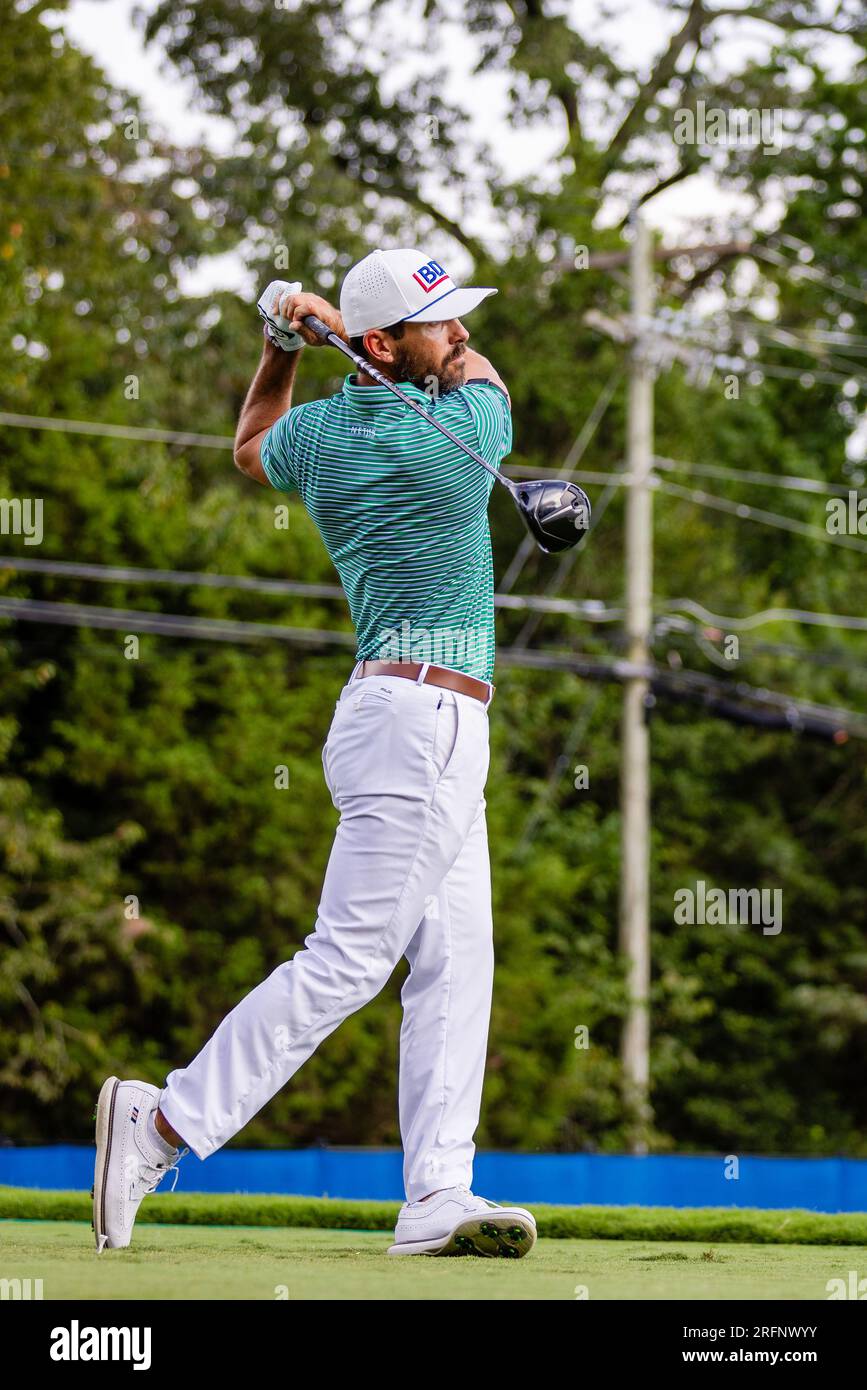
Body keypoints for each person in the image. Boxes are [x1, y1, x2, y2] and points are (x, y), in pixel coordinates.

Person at [92, 248, 537, 1259]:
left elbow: (249, 442)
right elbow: (488, 382)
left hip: (404, 719)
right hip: (423, 723)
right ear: (382, 344)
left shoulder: (326, 434)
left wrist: (277, 342)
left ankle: (437, 1194)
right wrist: (321, 332)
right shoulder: (457, 436)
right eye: (439, 323)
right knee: (349, 957)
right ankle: (161, 1123)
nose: (461, 334)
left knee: (459, 958)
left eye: (461, 318)